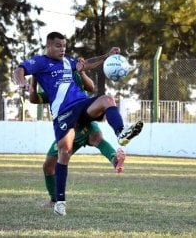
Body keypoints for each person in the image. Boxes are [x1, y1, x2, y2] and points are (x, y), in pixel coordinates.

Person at [13, 31, 143, 216]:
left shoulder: (69, 62)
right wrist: (22, 83)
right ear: (48, 47)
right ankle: (59, 202)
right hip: (63, 113)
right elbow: (19, 70)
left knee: (107, 99)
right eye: (58, 46)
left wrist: (107, 56)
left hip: (82, 105)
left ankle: (121, 133)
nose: (62, 49)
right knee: (64, 152)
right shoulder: (40, 62)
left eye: (64, 46)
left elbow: (88, 64)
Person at [29, 70, 126, 208]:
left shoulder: (71, 75)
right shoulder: (55, 88)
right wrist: (34, 77)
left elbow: (91, 87)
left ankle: (55, 200)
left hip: (74, 126)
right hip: (77, 127)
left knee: (95, 140)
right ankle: (115, 159)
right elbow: (33, 99)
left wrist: (82, 72)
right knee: (49, 165)